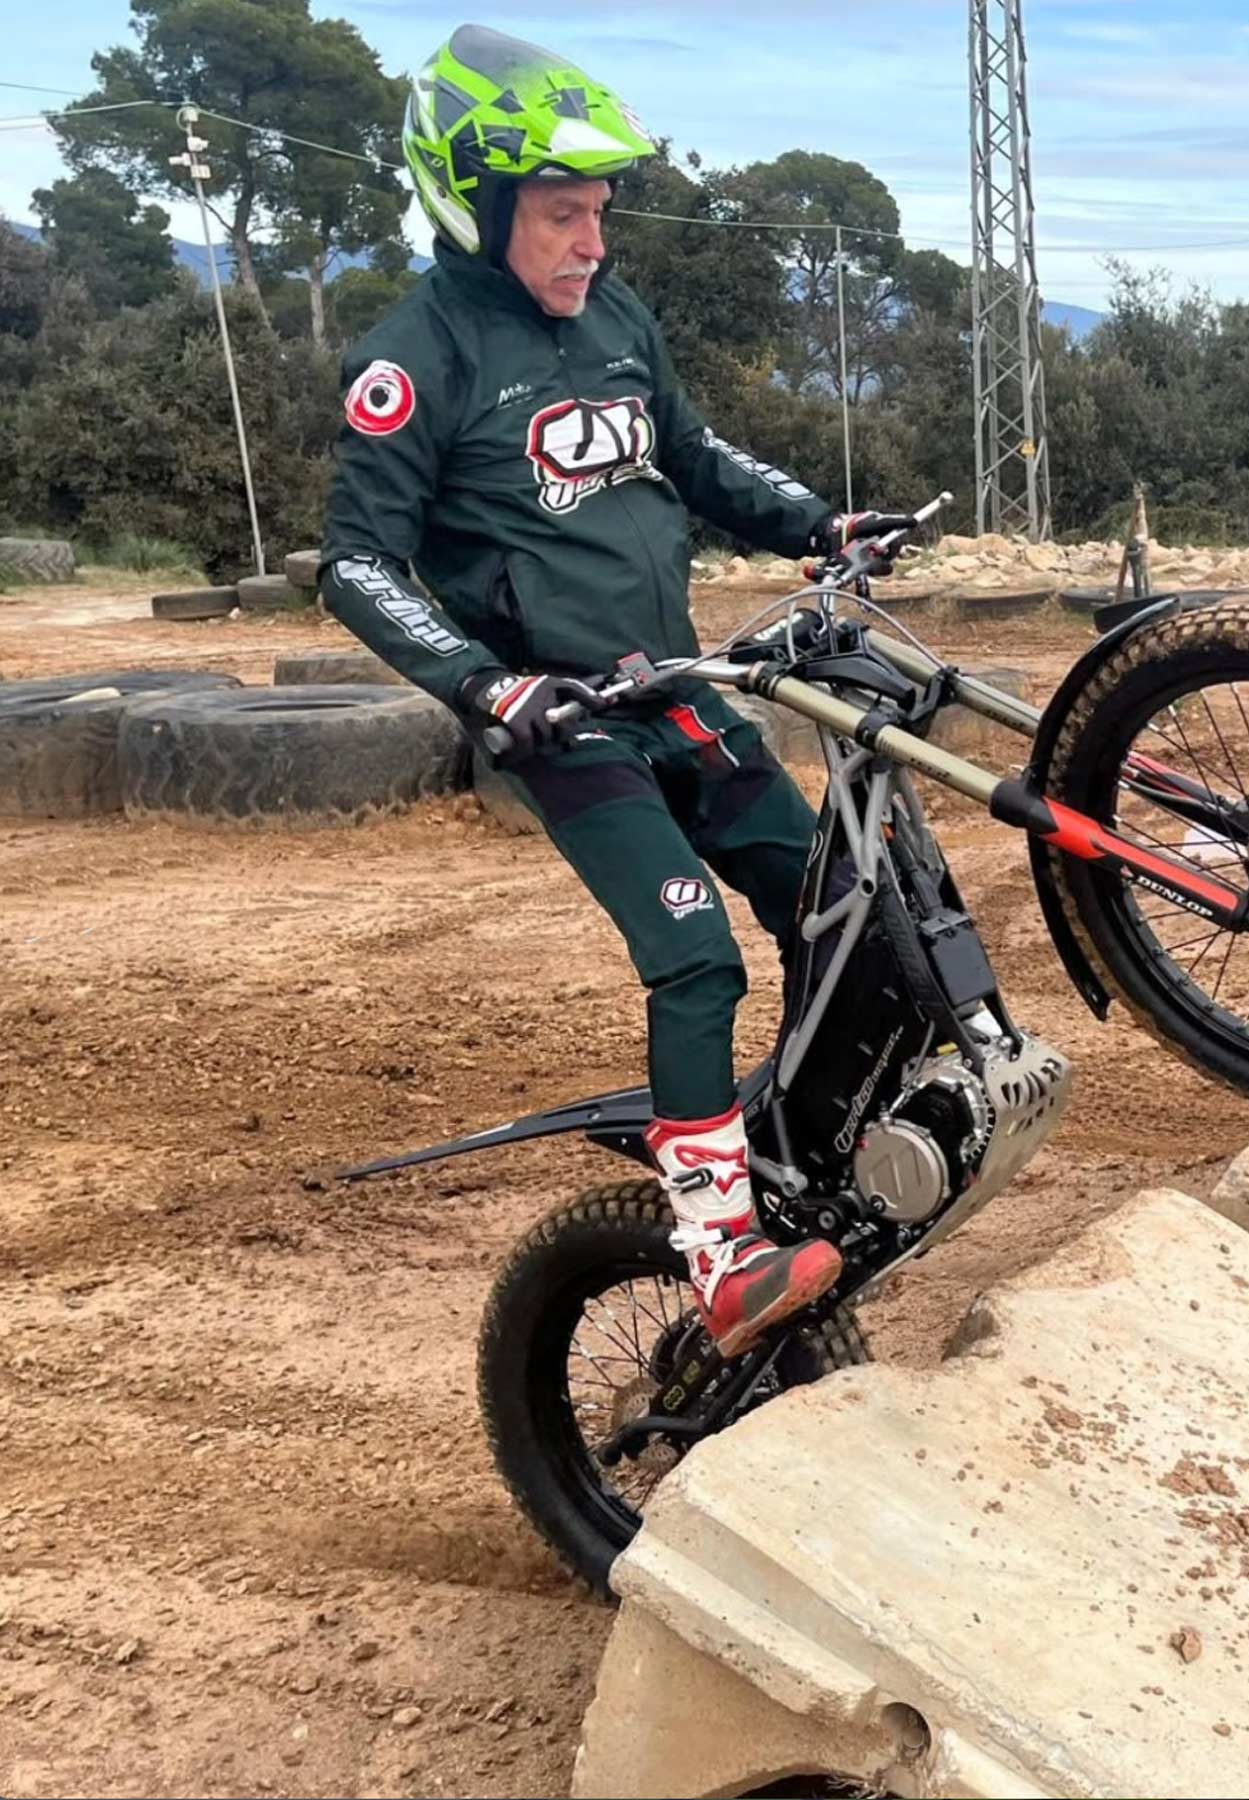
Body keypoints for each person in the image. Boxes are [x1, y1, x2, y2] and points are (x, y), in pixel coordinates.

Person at [319, 25, 908, 1355]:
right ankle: (719, 1253)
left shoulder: (617, 318)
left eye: (599, 213)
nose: (592, 242)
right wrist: (482, 687)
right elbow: (356, 564)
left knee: (838, 911)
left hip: (678, 691)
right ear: (473, 205)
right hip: (566, 730)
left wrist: (819, 522)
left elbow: (694, 456)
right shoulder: (416, 359)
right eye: (561, 216)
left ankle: (818, 1159)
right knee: (695, 957)